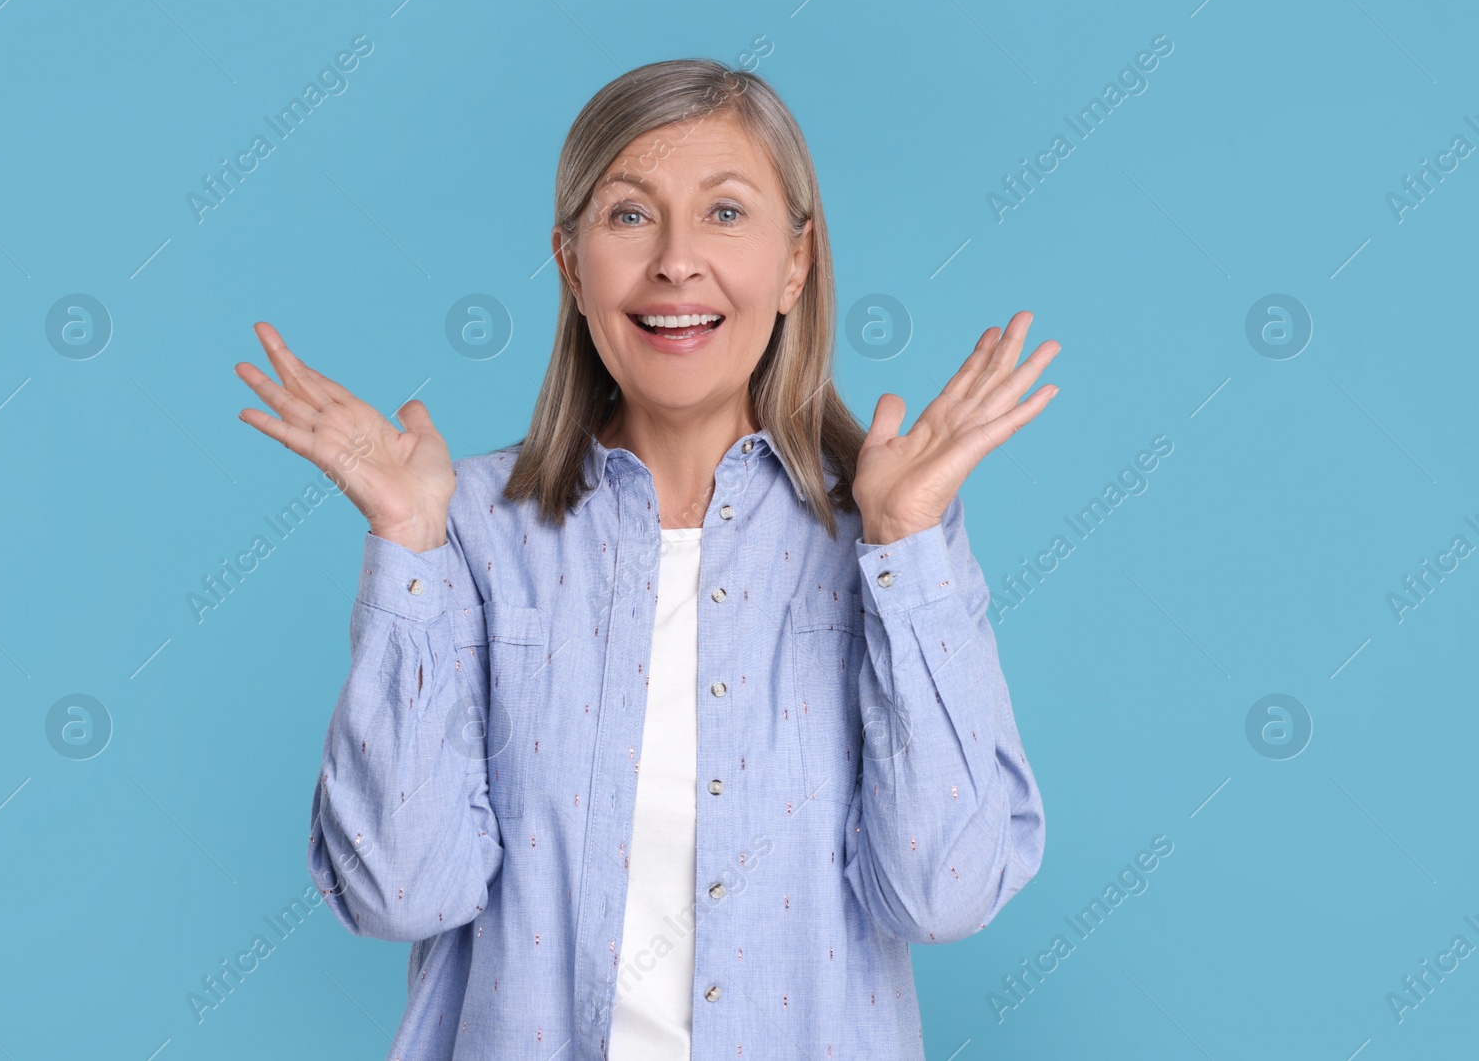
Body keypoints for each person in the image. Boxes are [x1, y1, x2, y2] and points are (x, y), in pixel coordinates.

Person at [234, 57, 1056, 1061]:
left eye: (724, 213)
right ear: (570, 261)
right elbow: (400, 890)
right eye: (629, 215)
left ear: (796, 262)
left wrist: (906, 544)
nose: (675, 261)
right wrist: (408, 547)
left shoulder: (888, 536)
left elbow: (945, 890)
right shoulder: (471, 529)